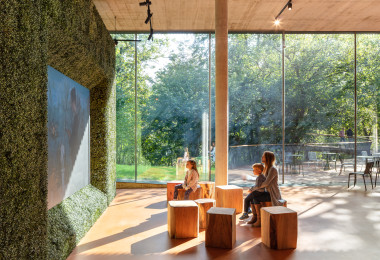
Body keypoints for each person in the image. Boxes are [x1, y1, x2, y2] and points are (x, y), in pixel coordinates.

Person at [249, 151, 284, 227]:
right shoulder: (265, 168)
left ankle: (259, 220)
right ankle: (255, 217)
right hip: (266, 192)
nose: (262, 157)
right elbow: (260, 183)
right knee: (252, 195)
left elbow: (266, 183)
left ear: (267, 158)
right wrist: (253, 188)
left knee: (255, 197)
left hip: (272, 194)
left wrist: (253, 188)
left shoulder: (273, 169)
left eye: (263, 156)